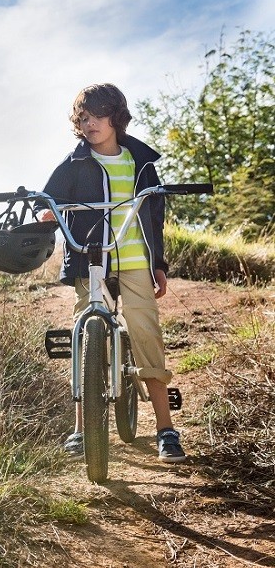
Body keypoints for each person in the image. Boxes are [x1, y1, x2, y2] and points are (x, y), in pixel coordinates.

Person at [40, 83, 185, 464]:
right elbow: (49, 201)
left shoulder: (141, 163)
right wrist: (46, 213)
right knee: (82, 332)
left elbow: (155, 218)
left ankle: (166, 430)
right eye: (83, 118)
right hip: (91, 260)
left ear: (115, 116)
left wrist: (159, 265)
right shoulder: (73, 164)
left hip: (136, 259)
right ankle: (80, 429)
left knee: (145, 334)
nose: (89, 124)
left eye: (97, 115)